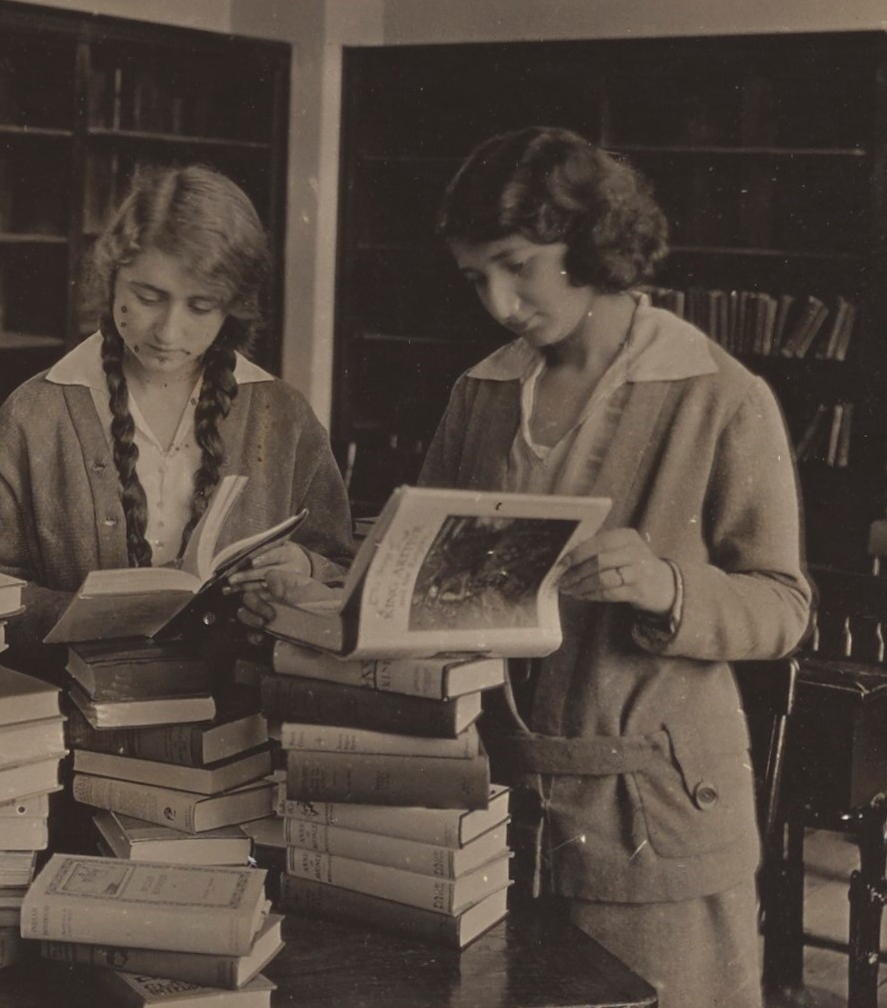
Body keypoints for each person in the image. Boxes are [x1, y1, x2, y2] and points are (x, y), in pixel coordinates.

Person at [243, 127, 811, 1008]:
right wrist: (322, 586)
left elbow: (785, 607)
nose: (502, 303)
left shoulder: (719, 395)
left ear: (590, 244)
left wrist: (667, 585)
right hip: (490, 807)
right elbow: (415, 572)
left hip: (652, 822)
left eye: (519, 266)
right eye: (477, 279)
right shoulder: (481, 391)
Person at [0, 163, 356, 671]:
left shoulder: (284, 415)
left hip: (238, 717)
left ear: (232, 307)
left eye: (201, 307)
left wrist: (303, 568)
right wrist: (90, 613)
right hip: (76, 713)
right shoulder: (36, 412)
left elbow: (343, 569)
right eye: (148, 298)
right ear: (112, 278)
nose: (169, 330)